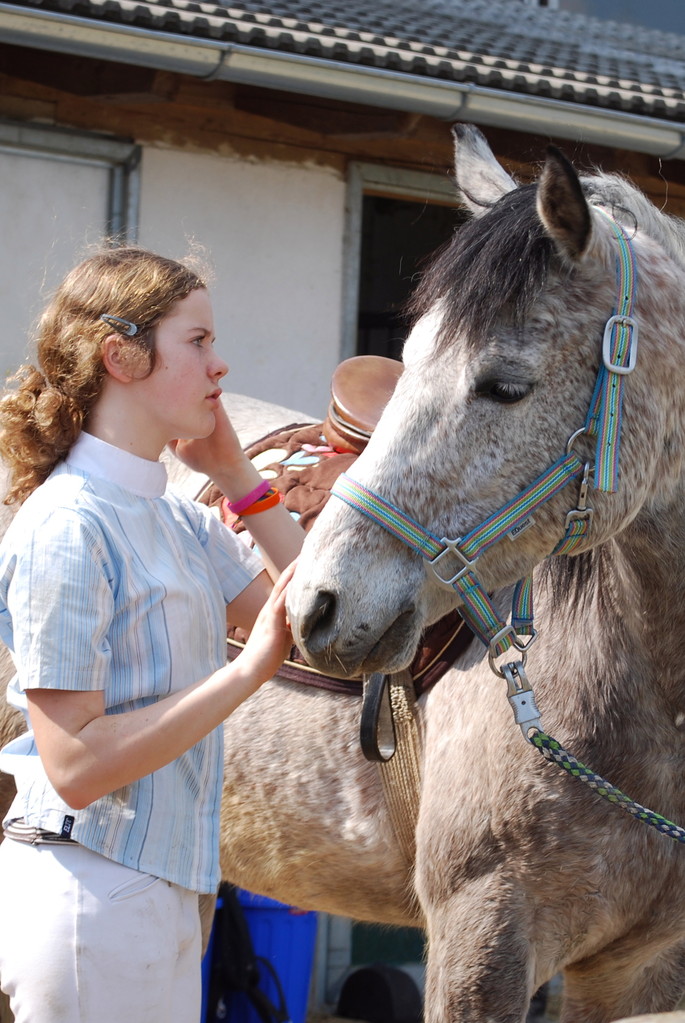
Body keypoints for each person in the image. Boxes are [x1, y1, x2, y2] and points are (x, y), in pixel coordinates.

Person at [0, 246, 304, 1023]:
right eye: (197, 341)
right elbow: (72, 764)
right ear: (120, 356)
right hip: (89, 890)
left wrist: (241, 479)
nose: (220, 365)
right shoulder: (66, 526)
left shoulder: (183, 519)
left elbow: (315, 619)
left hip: (171, 894)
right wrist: (243, 675)